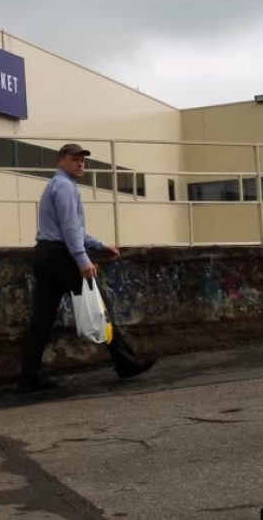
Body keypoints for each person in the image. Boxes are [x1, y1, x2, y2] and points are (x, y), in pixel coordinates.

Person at [19, 143, 155, 392]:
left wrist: (100, 245)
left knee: (41, 319)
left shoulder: (56, 185)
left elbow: (74, 229)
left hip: (45, 254)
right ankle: (127, 363)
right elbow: (70, 228)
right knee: (100, 309)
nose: (80, 164)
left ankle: (29, 375)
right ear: (61, 160)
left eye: (82, 160)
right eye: (75, 159)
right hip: (62, 257)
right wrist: (83, 261)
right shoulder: (65, 187)